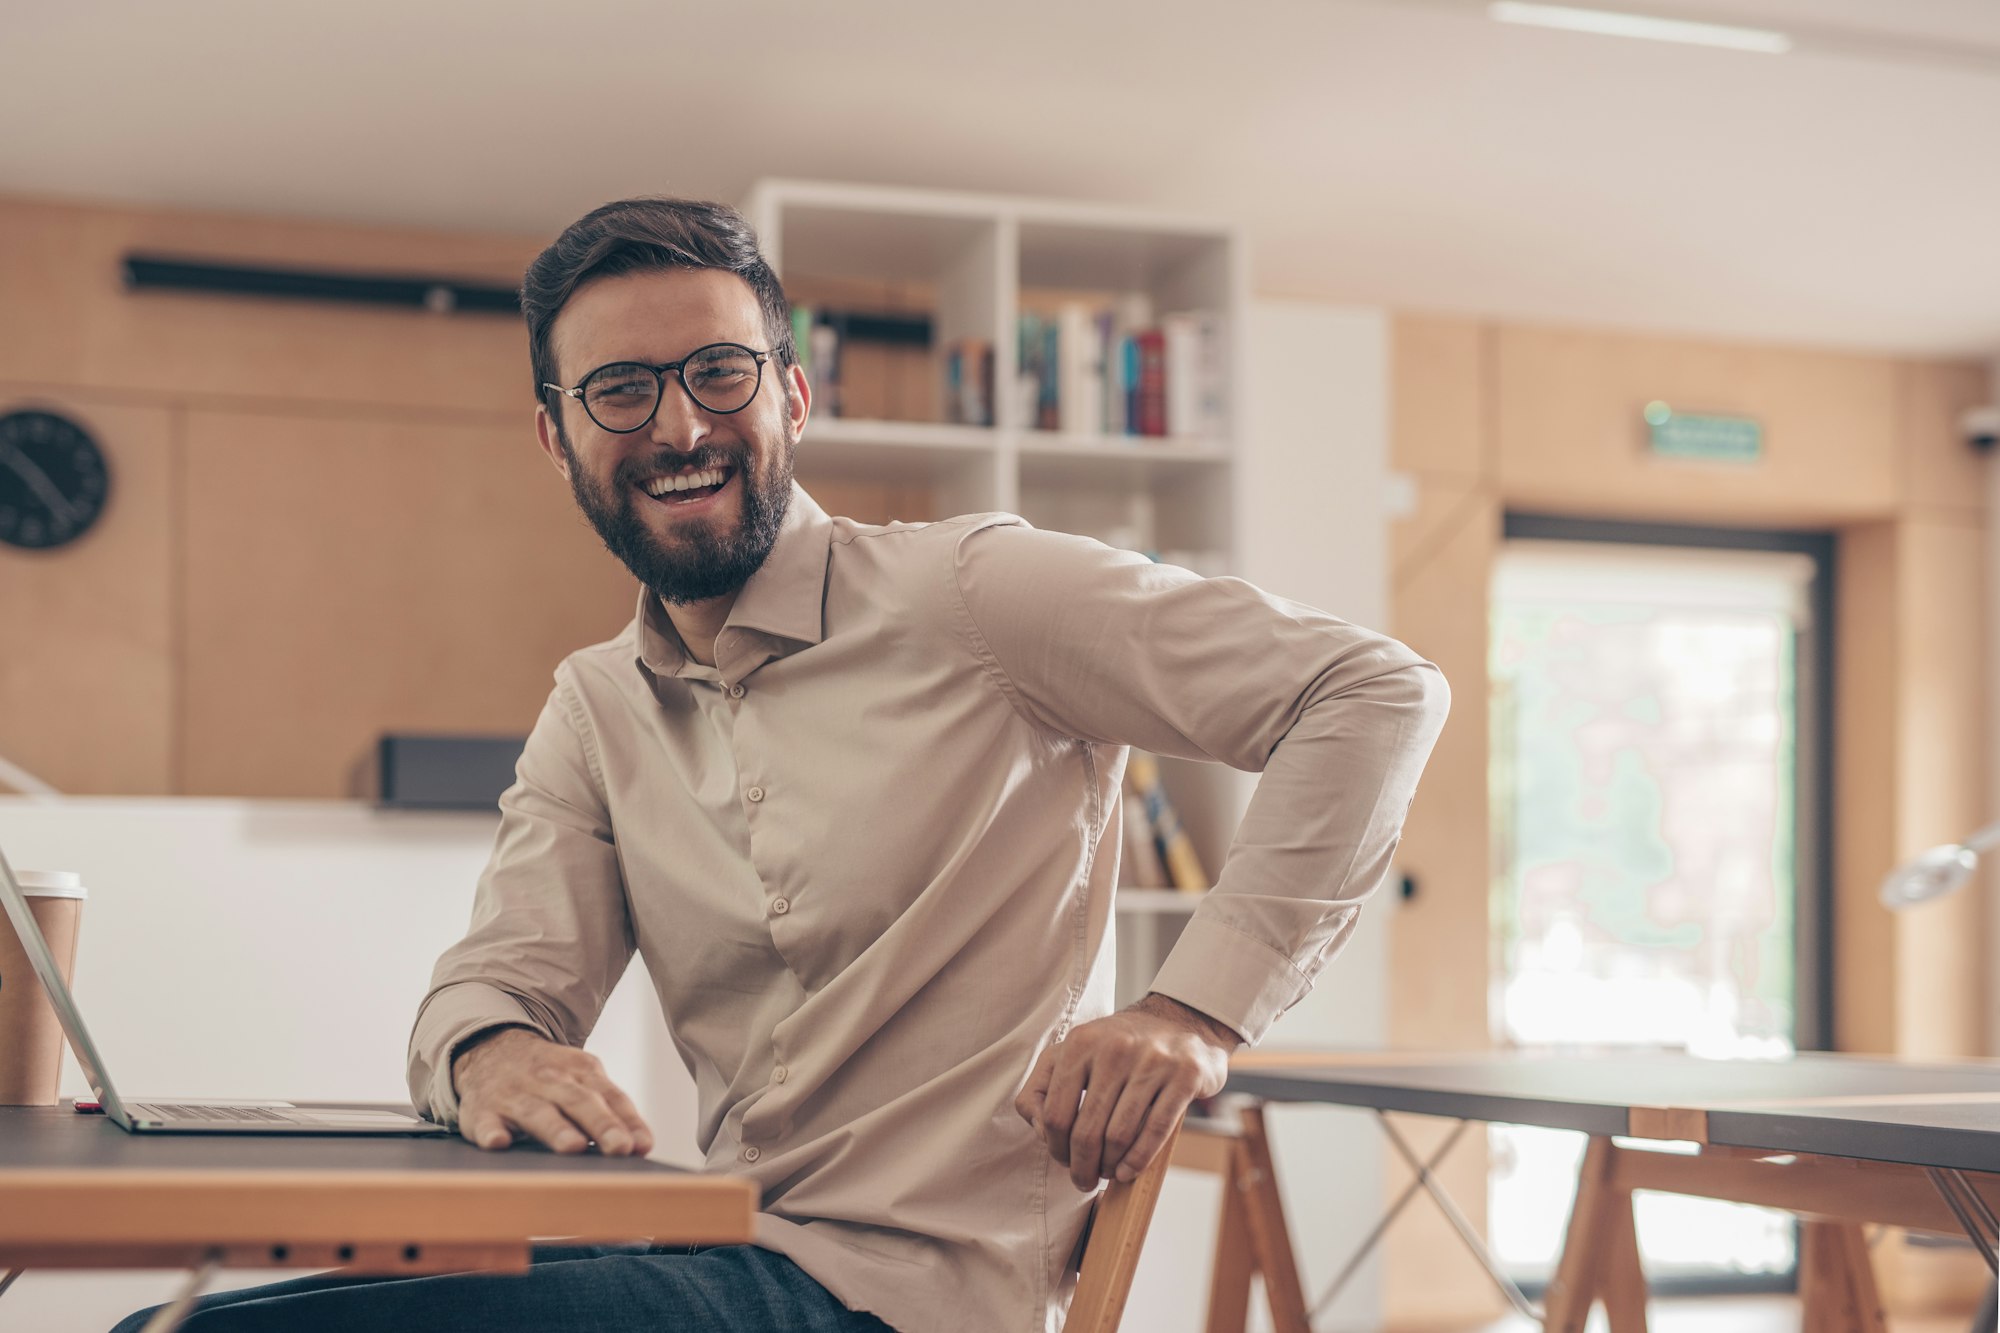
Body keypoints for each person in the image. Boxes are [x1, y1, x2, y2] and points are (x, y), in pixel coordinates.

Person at [114, 196, 1447, 1333]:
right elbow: (503, 974)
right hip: (716, 1242)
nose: (679, 425)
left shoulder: (975, 594)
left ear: (791, 394)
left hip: (905, 1294)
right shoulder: (595, 704)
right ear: (559, 437)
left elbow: (1374, 693)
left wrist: (1192, 1010)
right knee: (162, 1319)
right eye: (621, 390)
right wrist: (493, 1050)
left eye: (719, 372)